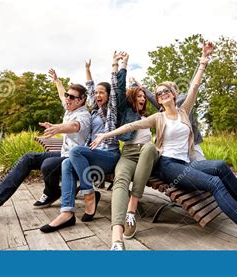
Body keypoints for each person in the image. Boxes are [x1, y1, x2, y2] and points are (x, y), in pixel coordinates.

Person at [91, 41, 237, 250]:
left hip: (185, 164)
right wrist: (105, 135)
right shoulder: (157, 117)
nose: (163, 93)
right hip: (167, 165)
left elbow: (194, 86)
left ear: (174, 95)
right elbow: (131, 125)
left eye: (167, 90)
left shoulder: (184, 111)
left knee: (221, 166)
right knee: (214, 184)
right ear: (157, 99)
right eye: (159, 93)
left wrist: (203, 61)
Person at [0, 74, 91, 226]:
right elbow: (61, 94)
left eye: (71, 97)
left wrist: (58, 127)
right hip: (63, 154)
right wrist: (58, 81)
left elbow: (75, 126)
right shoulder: (70, 107)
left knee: (48, 165)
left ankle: (52, 191)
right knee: (29, 158)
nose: (67, 99)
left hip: (74, 159)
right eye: (67, 96)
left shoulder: (84, 115)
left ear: (81, 100)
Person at [40, 52, 124, 232]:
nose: (97, 95)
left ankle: (88, 193)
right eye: (96, 93)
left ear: (109, 96)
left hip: (108, 155)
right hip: (92, 154)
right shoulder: (93, 111)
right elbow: (89, 87)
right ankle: (67, 212)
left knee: (75, 151)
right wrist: (87, 70)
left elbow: (115, 89)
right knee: (67, 164)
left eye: (102, 92)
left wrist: (115, 65)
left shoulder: (111, 112)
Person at [107, 53, 159, 250]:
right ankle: (116, 237)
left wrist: (143, 86)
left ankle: (132, 210)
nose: (142, 98)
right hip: (128, 153)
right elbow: (118, 90)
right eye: (138, 95)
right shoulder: (126, 112)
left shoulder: (151, 117)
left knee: (149, 147)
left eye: (144, 96)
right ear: (132, 98)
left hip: (149, 153)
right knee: (120, 180)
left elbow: (162, 105)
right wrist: (122, 65)